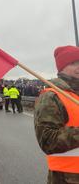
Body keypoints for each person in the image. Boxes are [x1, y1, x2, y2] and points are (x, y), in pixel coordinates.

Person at [34, 45, 79, 183]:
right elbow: (48, 141)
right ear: (62, 67)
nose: (78, 66)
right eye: (73, 63)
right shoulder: (51, 96)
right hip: (68, 178)